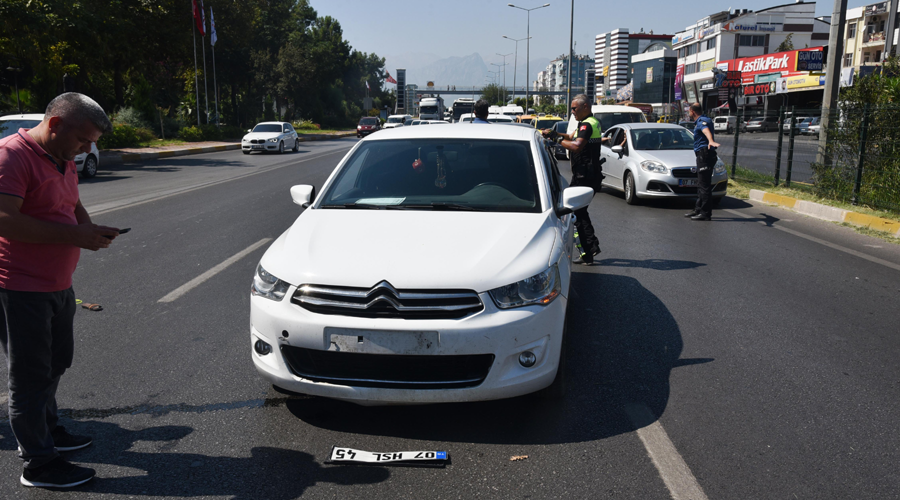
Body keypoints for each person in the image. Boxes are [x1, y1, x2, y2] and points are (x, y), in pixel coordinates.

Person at [0, 92, 117, 489]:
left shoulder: (62, 159)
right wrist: (76, 235)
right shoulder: (10, 157)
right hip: (20, 288)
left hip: (58, 284)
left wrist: (90, 229)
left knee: (56, 362)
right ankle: (38, 463)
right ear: (55, 125)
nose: (88, 150)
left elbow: (73, 205)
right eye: (83, 140)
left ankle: (48, 430)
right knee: (30, 377)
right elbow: (6, 222)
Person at [541, 94, 605, 264]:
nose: (572, 112)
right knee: (579, 212)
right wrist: (555, 133)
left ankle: (589, 250)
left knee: (575, 212)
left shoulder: (587, 125)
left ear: (585, 107)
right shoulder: (589, 123)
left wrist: (556, 139)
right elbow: (571, 137)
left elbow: (576, 146)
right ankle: (590, 250)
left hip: (585, 175)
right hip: (587, 174)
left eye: (574, 109)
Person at [684, 102, 720, 221]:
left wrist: (710, 140)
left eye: (689, 111)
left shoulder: (701, 122)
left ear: (692, 111)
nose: (689, 113)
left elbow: (705, 131)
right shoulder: (706, 119)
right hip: (704, 155)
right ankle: (698, 209)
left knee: (704, 185)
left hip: (705, 154)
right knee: (700, 184)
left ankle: (705, 213)